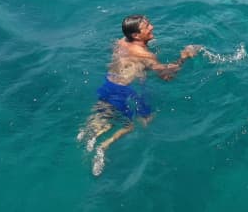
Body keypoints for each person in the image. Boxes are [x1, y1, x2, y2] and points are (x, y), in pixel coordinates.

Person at [77, 15, 201, 176]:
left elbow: (125, 60)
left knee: (104, 115)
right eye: (147, 26)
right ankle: (103, 146)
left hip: (108, 84)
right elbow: (167, 77)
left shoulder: (121, 42)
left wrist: (140, 67)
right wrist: (183, 58)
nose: (152, 27)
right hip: (124, 91)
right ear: (136, 35)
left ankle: (90, 134)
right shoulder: (146, 55)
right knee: (134, 125)